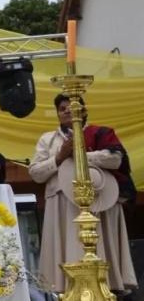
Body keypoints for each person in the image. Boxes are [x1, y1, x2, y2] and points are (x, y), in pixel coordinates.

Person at [30, 94, 137, 294]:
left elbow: (115, 160)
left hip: (99, 202)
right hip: (62, 205)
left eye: (72, 107)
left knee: (101, 251)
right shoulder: (48, 140)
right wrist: (60, 156)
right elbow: (36, 173)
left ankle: (105, 291)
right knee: (66, 254)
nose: (67, 111)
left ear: (84, 110)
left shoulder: (101, 133)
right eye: (62, 109)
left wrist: (80, 154)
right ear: (58, 114)